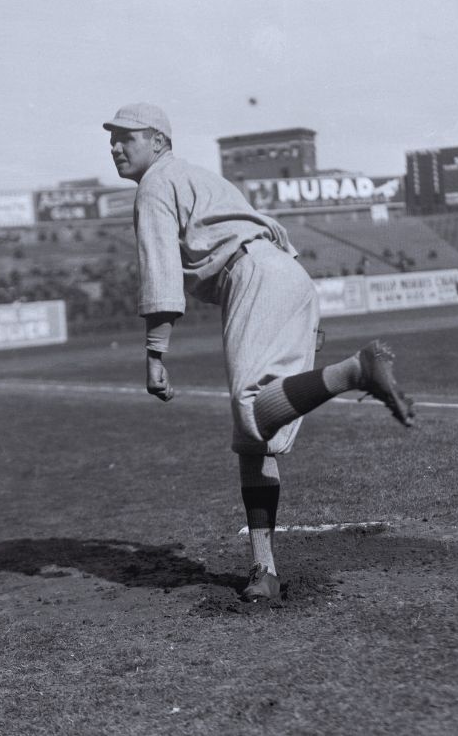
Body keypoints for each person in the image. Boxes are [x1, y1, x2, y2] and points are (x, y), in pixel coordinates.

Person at [103, 102, 415, 603]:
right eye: (112, 138)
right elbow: (272, 231)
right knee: (252, 440)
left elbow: (161, 274)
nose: (116, 146)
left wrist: (155, 353)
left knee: (253, 411)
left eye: (128, 137)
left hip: (253, 278)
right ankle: (264, 570)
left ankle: (357, 371)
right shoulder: (202, 178)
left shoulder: (157, 184)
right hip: (284, 273)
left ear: (158, 142)